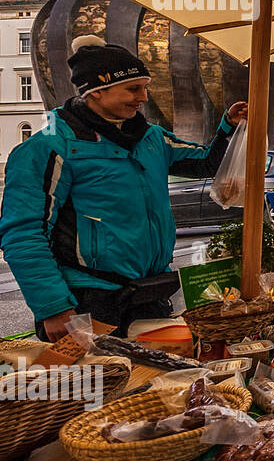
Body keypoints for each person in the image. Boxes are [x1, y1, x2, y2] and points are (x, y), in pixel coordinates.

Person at [0, 35, 247, 340]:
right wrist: (53, 308)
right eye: (133, 88)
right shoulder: (50, 147)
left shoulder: (152, 138)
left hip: (149, 292)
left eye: (144, 87)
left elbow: (206, 164)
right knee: (99, 385)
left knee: (160, 384)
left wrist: (228, 129)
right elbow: (23, 234)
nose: (143, 97)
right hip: (88, 300)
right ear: (97, 91)